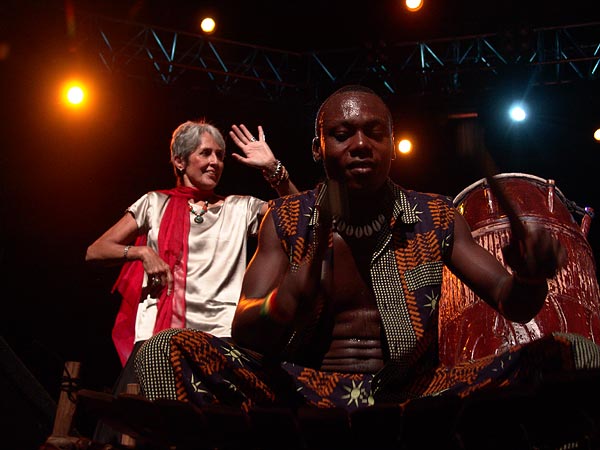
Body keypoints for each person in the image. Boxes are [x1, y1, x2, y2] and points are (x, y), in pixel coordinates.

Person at [134, 85, 600, 414]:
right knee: (162, 353)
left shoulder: (436, 216)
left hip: (416, 395)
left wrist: (531, 277)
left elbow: (513, 303)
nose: (360, 145)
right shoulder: (286, 219)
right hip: (302, 391)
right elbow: (244, 329)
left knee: (575, 354)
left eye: (374, 133)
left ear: (393, 145)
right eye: (342, 134)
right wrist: (283, 301)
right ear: (318, 148)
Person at [85, 119, 298, 442]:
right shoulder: (154, 203)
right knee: (135, 435)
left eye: (220, 155)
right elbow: (96, 250)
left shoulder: (241, 208)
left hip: (220, 341)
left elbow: (300, 220)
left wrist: (274, 169)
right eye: (205, 153)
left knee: (209, 437)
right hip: (158, 340)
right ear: (180, 160)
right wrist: (142, 254)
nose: (215, 162)